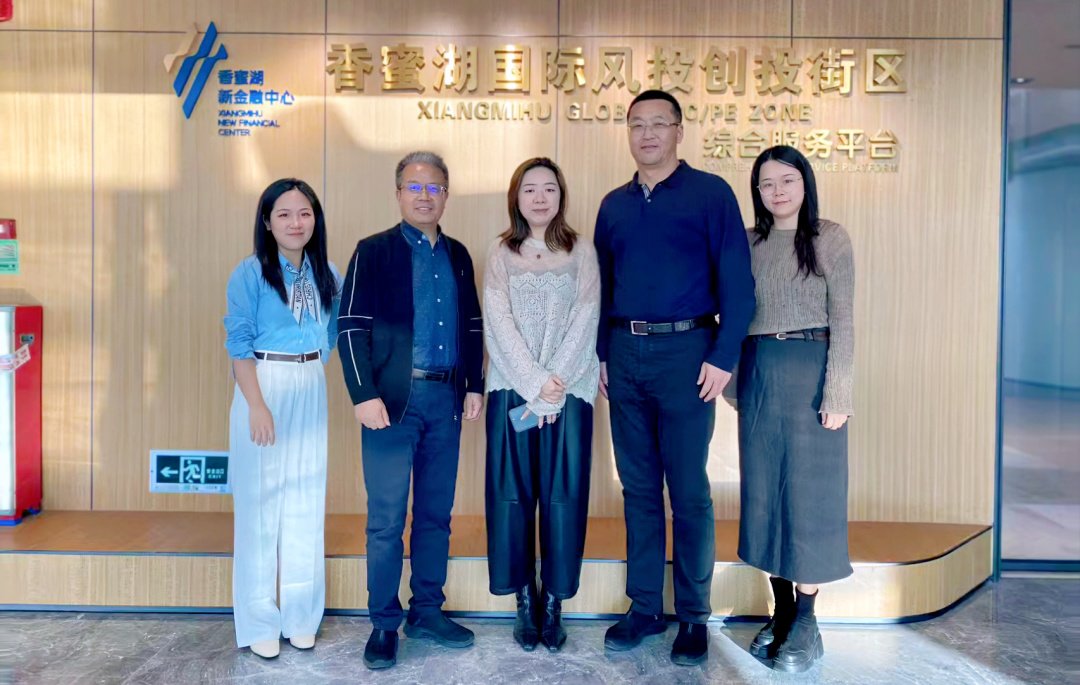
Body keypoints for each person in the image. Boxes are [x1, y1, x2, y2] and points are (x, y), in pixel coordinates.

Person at [594, 90, 756, 666]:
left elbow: (738, 283)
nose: (647, 134)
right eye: (637, 124)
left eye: (658, 124)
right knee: (638, 489)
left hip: (688, 353)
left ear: (679, 131)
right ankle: (644, 608)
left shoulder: (711, 194)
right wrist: (601, 353)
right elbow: (601, 286)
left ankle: (692, 615)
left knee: (688, 492)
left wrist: (723, 355)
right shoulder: (613, 205)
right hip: (624, 352)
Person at [337, 151, 484, 671]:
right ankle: (383, 623)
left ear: (446, 195)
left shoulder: (459, 254)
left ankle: (427, 611)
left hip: (446, 400)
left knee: (436, 515)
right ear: (398, 193)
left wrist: (474, 385)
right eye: (415, 187)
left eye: (434, 187)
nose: (425, 196)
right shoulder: (373, 251)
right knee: (386, 519)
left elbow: (472, 324)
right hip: (390, 404)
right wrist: (363, 394)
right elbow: (350, 326)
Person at [737, 145, 855, 673]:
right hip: (761, 373)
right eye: (766, 183)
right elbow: (732, 312)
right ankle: (781, 610)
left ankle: (807, 621)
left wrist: (839, 394)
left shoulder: (829, 237)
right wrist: (736, 385)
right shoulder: (747, 243)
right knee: (766, 495)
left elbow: (844, 320)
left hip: (812, 372)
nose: (777, 191)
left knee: (810, 500)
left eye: (787, 180)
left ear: (805, 183)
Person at [483, 157, 600, 653]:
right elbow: (497, 322)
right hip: (512, 390)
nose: (539, 197)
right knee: (511, 497)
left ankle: (554, 601)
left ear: (560, 196)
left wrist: (554, 385)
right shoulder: (500, 252)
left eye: (548, 188)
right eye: (529, 189)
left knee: (562, 497)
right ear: (516, 196)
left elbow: (587, 317)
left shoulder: (581, 250)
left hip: (569, 393)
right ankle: (523, 600)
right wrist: (534, 383)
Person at [224, 178, 342, 658]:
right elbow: (238, 343)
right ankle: (259, 623)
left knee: (305, 503)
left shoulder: (327, 272)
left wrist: (311, 367)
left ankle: (300, 617)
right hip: (263, 383)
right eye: (284, 214)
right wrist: (256, 403)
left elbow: (333, 333)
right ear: (267, 222)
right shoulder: (250, 273)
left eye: (305, 213)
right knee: (259, 507)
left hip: (310, 383)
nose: (296, 223)